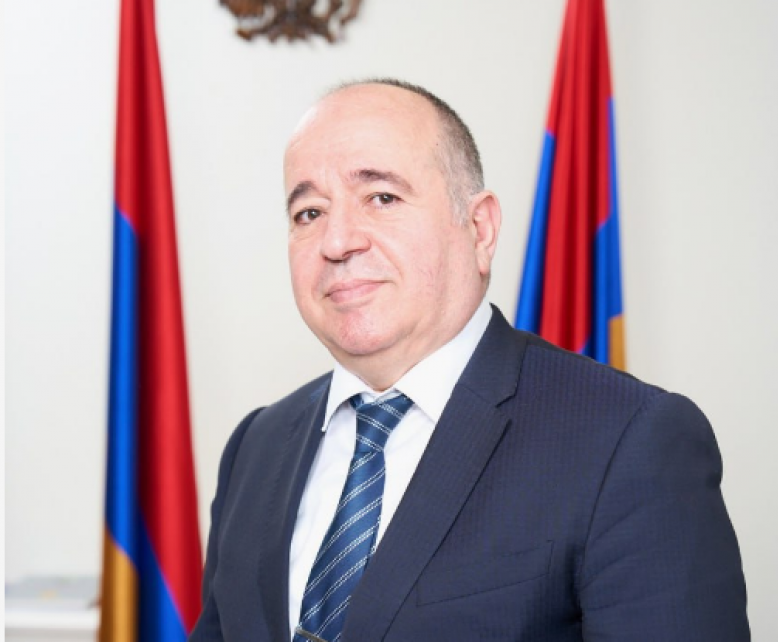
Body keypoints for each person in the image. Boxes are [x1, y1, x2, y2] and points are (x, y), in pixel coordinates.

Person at [190, 79, 749, 642]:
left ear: (479, 229)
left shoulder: (627, 440)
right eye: (309, 212)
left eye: (382, 198)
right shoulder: (256, 447)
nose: (337, 242)